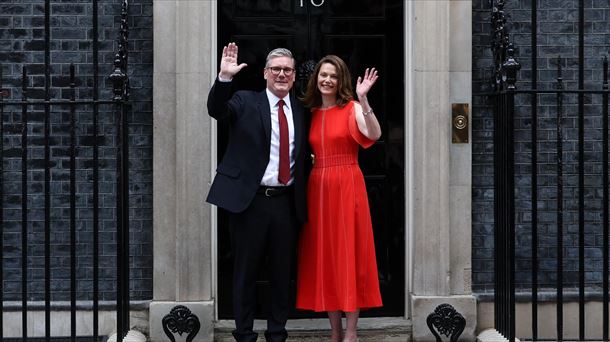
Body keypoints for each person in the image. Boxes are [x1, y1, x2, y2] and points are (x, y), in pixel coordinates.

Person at [207, 43, 309, 342]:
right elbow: (217, 111)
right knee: (245, 273)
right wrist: (224, 78)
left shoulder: (302, 110)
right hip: (250, 202)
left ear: (293, 76)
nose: (281, 74)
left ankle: (277, 333)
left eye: (287, 70)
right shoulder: (244, 101)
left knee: (281, 274)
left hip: (286, 203)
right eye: (275, 69)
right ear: (265, 73)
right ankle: (245, 334)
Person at [296, 55, 383, 342]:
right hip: (319, 186)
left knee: (349, 254)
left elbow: (374, 133)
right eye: (323, 75)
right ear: (316, 79)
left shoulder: (352, 108)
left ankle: (351, 332)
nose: (327, 80)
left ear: (340, 79)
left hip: (347, 184)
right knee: (327, 257)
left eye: (333, 75)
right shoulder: (312, 112)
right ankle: (334, 332)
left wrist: (364, 99)